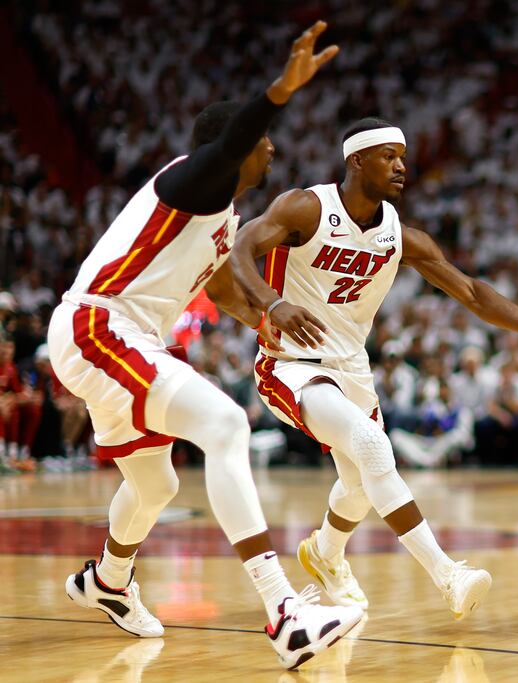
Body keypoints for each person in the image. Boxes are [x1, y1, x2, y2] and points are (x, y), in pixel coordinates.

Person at [47, 22, 365, 669]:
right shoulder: (191, 184)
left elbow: (219, 287)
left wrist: (265, 318)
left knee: (156, 482)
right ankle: (284, 611)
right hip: (97, 325)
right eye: (264, 141)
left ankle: (107, 580)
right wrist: (280, 90)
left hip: (119, 340)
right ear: (232, 149)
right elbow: (241, 136)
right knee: (224, 423)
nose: (271, 150)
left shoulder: (223, 218)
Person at [230, 117, 518, 620]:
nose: (401, 165)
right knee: (374, 446)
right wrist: (272, 304)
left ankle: (325, 553)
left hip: (352, 368)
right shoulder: (306, 207)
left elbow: (469, 291)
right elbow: (240, 250)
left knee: (360, 484)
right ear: (356, 160)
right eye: (388, 156)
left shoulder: (399, 235)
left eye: (403, 156)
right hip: (290, 363)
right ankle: (448, 574)